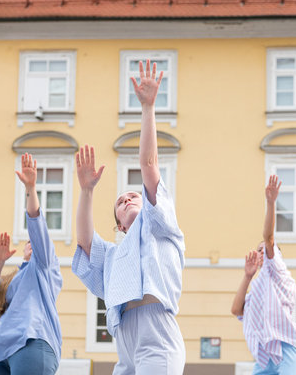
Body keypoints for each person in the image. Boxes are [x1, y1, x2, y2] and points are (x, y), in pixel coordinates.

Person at [72, 60, 185, 375]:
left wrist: (148, 107)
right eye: (120, 202)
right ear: (119, 226)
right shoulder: (114, 255)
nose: (126, 197)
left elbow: (149, 166)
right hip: (125, 337)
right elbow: (84, 241)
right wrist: (86, 190)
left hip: (156, 330)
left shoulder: (160, 224)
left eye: (133, 195)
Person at [231, 175, 296, 375]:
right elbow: (237, 310)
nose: (261, 252)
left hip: (287, 347)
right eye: (258, 250)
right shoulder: (258, 286)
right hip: (265, 355)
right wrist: (247, 277)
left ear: (276, 256)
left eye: (266, 250)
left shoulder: (279, 272)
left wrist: (271, 203)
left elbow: (269, 238)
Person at [0, 153, 62, 374]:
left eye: (35, 241)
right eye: (29, 242)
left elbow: (36, 223)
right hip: (1, 351)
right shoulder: (12, 278)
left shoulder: (44, 267)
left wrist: (31, 189)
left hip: (32, 341)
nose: (32, 244)